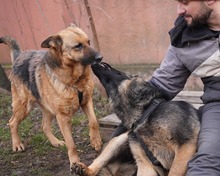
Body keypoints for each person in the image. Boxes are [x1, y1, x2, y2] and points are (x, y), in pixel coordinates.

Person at [148, 0, 220, 175]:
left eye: (185, 2)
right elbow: (161, 85)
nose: (179, 10)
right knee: (205, 162)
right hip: (218, 105)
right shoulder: (184, 38)